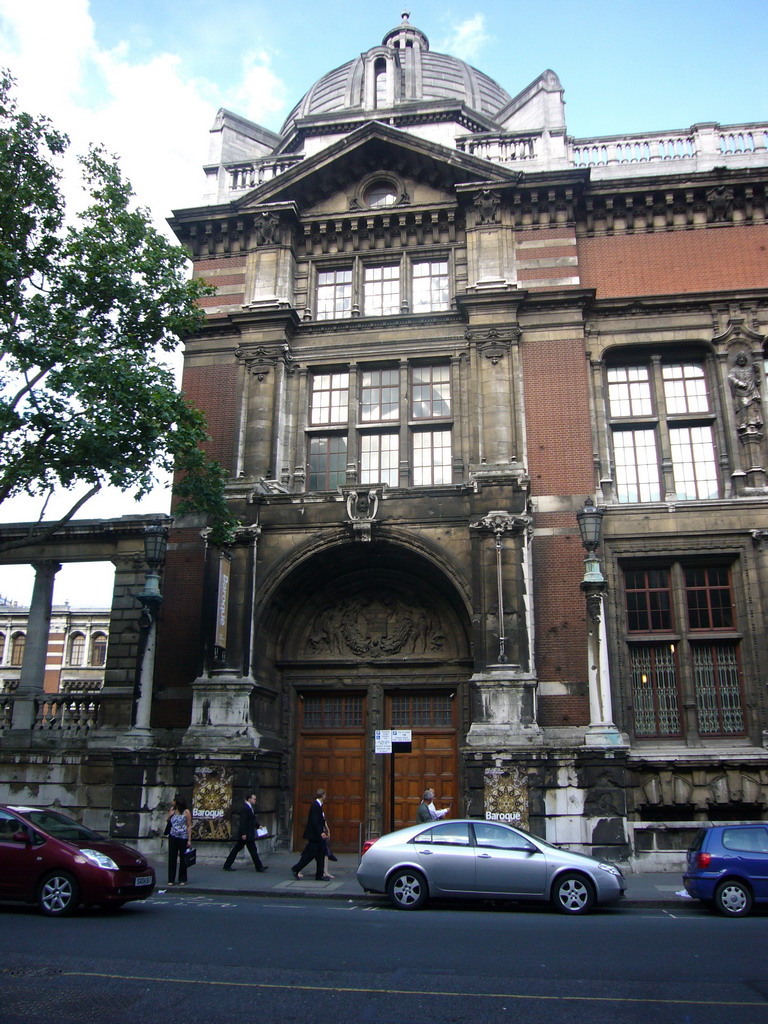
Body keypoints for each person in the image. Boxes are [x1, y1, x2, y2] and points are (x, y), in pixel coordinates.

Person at [223, 793, 268, 872]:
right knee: (252, 850)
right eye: (254, 799)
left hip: (247, 834)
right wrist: (243, 833)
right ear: (249, 799)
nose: (255, 800)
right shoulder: (245, 808)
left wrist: (258, 826)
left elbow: (251, 820)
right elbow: (243, 822)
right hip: (246, 834)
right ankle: (259, 867)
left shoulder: (249, 807)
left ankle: (227, 865)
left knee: (239, 849)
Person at [292, 788, 330, 881]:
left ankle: (319, 875)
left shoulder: (318, 805)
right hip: (315, 836)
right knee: (310, 854)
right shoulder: (315, 806)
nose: (325, 797)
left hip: (317, 835)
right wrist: (321, 833)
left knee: (321, 854)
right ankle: (296, 868)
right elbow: (315, 821)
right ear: (322, 796)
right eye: (325, 795)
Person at [166, 796, 192, 887]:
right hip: (173, 836)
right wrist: (170, 815)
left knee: (183, 859)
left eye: (174, 800)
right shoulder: (172, 809)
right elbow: (168, 821)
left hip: (183, 837)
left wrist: (189, 839)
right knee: (172, 858)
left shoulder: (186, 812)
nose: (172, 802)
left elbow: (189, 825)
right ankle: (171, 879)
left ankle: (182, 879)